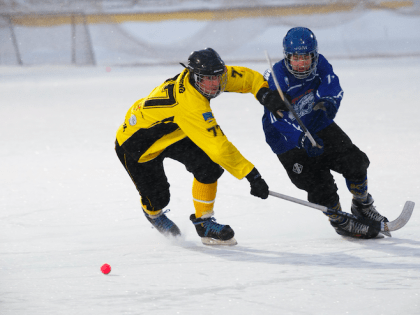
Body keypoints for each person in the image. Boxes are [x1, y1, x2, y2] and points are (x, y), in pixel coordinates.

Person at [115, 48, 273, 245]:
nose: (215, 84)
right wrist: (252, 175)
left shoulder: (208, 77)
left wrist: (263, 92)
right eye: (209, 79)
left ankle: (204, 223)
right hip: (137, 144)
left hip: (175, 131)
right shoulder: (192, 105)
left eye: (218, 77)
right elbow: (219, 148)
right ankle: (153, 215)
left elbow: (246, 77)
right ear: (195, 77)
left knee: (208, 168)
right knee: (158, 198)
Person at [259, 27, 389, 239]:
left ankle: (362, 204)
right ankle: (339, 219)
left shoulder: (321, 64)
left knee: (355, 161)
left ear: (315, 55)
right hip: (287, 139)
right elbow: (277, 119)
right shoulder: (277, 79)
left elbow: (332, 85)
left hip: (317, 122)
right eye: (296, 58)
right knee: (317, 183)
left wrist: (327, 103)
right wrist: (300, 138)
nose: (302, 64)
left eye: (307, 58)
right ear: (287, 57)